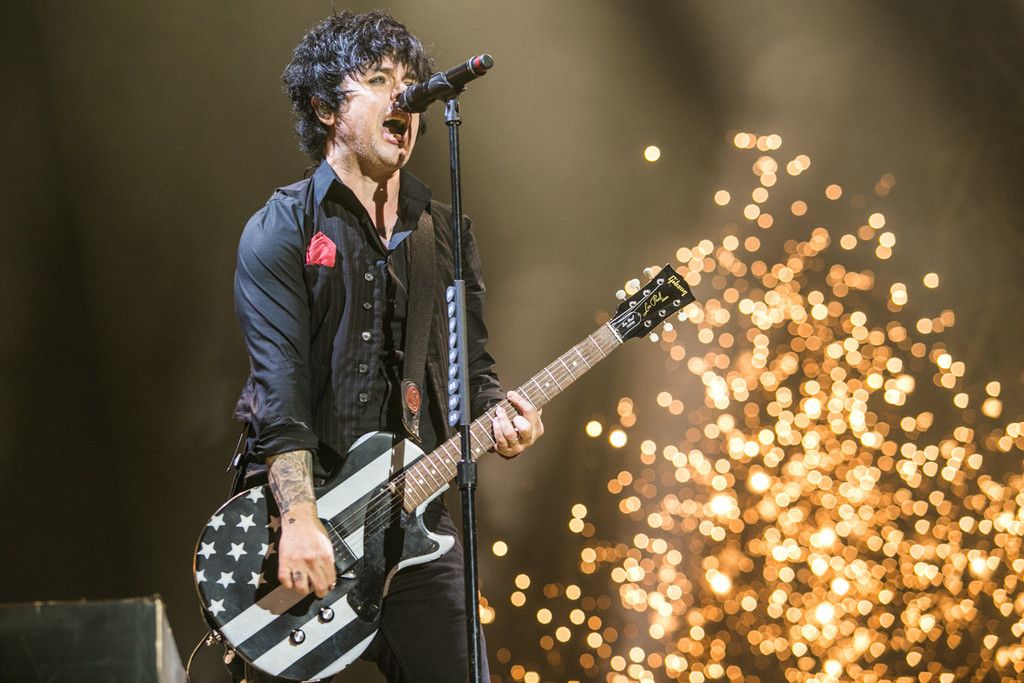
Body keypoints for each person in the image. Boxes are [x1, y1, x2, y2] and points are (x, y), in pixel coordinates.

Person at [229, 10, 543, 683]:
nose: (402, 94)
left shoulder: (444, 233)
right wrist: (300, 517)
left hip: (418, 519)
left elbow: (471, 370)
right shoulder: (281, 228)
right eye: (376, 80)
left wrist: (502, 413)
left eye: (408, 80)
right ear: (325, 108)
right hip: (302, 520)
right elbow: (277, 390)